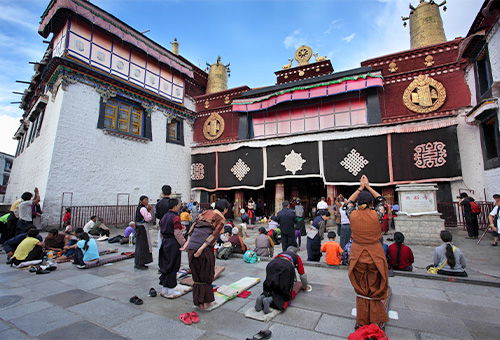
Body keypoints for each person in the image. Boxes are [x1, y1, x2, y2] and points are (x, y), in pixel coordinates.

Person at [346, 175, 389, 329]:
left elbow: (348, 203)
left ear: (358, 203)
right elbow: (383, 201)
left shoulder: (352, 214)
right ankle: (376, 320)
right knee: (375, 287)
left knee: (361, 289)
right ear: (371, 203)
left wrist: (360, 188)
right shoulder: (376, 214)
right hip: (375, 254)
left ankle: (362, 320)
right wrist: (368, 186)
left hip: (357, 254)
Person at [181, 199, 230, 310]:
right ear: (225, 209)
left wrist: (186, 244)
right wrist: (201, 249)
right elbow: (213, 235)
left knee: (196, 274)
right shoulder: (221, 218)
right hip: (203, 248)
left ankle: (199, 302)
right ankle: (205, 303)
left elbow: (192, 227)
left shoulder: (204, 212)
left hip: (192, 246)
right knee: (206, 274)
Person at [256, 246, 309, 313]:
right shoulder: (296, 257)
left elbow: (274, 263)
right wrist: (305, 286)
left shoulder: (280, 254)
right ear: (296, 252)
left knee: (271, 285)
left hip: (271, 264)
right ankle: (269, 300)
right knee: (283, 290)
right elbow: (302, 274)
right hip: (286, 267)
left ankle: (262, 297)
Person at [158, 198, 186, 297]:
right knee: (173, 265)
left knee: (165, 265)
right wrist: (184, 243)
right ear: (174, 206)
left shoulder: (164, 217)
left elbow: (161, 232)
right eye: (179, 205)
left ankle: (164, 289)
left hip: (165, 242)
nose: (180, 207)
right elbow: (177, 233)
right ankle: (170, 290)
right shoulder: (175, 217)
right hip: (173, 243)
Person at [134, 195, 153, 270]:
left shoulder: (140, 208)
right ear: (141, 201)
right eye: (145, 200)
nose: (147, 201)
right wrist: (149, 211)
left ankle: (140, 262)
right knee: (143, 245)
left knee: (140, 245)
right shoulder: (143, 209)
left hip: (139, 228)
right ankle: (140, 263)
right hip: (142, 229)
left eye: (147, 200)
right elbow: (148, 218)